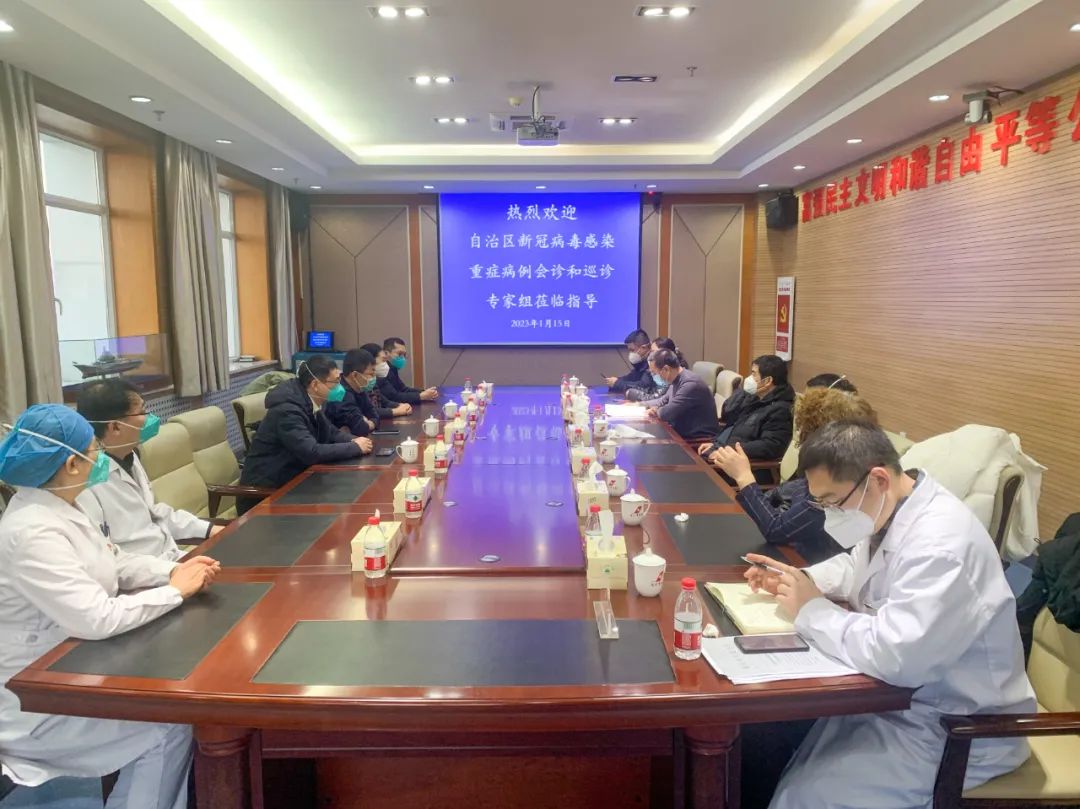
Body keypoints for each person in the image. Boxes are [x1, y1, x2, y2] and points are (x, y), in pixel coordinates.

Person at [744, 421, 1035, 809]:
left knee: (807, 797)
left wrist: (811, 609)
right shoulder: (892, 507)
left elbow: (898, 657)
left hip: (957, 726)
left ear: (878, 479)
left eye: (832, 502)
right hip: (896, 704)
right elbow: (858, 569)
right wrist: (800, 580)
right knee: (776, 750)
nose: (829, 515)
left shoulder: (942, 546)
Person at [0, 404, 220, 809]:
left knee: (168, 710)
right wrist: (175, 592)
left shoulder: (64, 505)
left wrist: (174, 570)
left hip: (76, 664)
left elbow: (114, 560)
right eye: (94, 451)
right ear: (71, 464)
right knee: (164, 728)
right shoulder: (31, 531)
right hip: (35, 700)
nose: (100, 459)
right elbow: (96, 618)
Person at [712, 386, 877, 564]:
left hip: (806, 564)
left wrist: (744, 476)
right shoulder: (839, 468)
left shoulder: (835, 484)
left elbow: (776, 529)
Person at [74, 379, 220, 560]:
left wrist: (209, 529)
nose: (149, 418)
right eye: (142, 412)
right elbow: (108, 557)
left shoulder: (128, 455)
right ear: (115, 427)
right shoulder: (88, 481)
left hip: (171, 560)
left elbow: (153, 512)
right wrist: (171, 571)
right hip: (146, 571)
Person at [238, 355, 371, 513]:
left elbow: (331, 433)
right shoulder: (288, 410)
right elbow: (311, 452)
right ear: (315, 384)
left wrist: (356, 440)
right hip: (266, 496)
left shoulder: (308, 400)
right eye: (335, 382)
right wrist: (355, 447)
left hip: (295, 482)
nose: (340, 386)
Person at [700, 354, 794, 465]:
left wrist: (727, 452)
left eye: (754, 374)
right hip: (724, 452)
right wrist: (716, 443)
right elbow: (729, 418)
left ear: (768, 381)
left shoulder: (780, 410)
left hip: (739, 464)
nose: (749, 378)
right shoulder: (755, 399)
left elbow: (770, 445)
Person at [640, 349, 717, 441]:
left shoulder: (690, 384)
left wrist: (656, 410)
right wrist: (639, 405)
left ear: (666, 369)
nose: (654, 376)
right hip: (680, 433)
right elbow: (662, 401)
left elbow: (666, 414)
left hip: (697, 440)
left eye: (654, 373)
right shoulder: (675, 379)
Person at [325, 348, 382, 437]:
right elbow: (360, 428)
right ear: (355, 375)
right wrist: (366, 422)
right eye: (371, 374)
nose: (374, 378)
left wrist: (369, 423)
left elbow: (375, 416)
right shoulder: (341, 393)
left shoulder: (360, 388)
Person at [625, 337, 687, 402]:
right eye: (651, 352)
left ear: (665, 353)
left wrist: (632, 394)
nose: (651, 355)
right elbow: (650, 390)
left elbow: (660, 400)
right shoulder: (653, 367)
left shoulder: (675, 374)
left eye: (653, 352)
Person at [363, 343, 413, 418]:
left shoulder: (374, 381)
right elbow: (367, 411)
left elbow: (386, 402)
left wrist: (402, 405)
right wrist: (396, 411)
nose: (386, 364)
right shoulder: (359, 387)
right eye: (383, 360)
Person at [382, 337, 438, 403]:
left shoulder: (392, 369)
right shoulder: (382, 371)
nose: (403, 358)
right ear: (386, 354)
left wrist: (424, 391)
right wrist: (421, 396)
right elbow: (393, 397)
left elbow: (403, 389)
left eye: (404, 355)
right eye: (399, 354)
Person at [604, 329, 652, 394]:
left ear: (644, 348)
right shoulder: (641, 362)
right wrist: (615, 381)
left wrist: (617, 384)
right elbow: (632, 377)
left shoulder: (653, 361)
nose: (630, 353)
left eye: (632, 350)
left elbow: (644, 386)